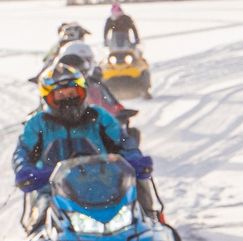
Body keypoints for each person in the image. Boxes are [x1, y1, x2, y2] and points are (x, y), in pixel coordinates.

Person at [14, 66, 150, 208]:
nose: (67, 99)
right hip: (53, 192)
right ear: (48, 98)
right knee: (41, 217)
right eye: (60, 95)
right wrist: (25, 170)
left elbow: (123, 142)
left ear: (83, 92)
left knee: (135, 205)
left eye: (72, 93)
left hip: (105, 186)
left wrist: (134, 158)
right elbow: (23, 150)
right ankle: (38, 228)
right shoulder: (38, 124)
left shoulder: (99, 117)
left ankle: (153, 219)